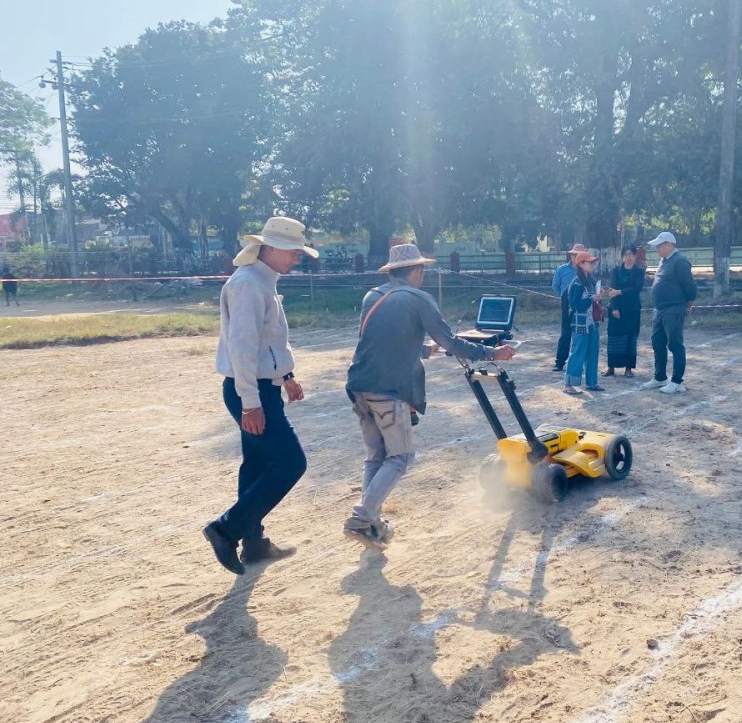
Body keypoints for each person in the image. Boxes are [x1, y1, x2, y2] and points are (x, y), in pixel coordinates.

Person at [345, 243, 517, 549]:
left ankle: (371, 523)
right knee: (400, 457)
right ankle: (360, 519)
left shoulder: (372, 296)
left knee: (376, 456)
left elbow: (379, 342)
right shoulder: (419, 299)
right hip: (388, 390)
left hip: (359, 386)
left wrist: (424, 349)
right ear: (417, 270)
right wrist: (494, 353)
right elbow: (453, 344)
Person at [204, 216, 318, 576]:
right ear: (269, 248)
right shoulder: (249, 285)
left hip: (259, 387)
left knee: (256, 465)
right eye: (293, 251)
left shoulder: (262, 282)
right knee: (290, 463)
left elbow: (269, 341)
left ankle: (254, 544)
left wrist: (286, 376)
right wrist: (251, 402)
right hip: (250, 390)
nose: (297, 258)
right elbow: (242, 348)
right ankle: (225, 530)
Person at [640, 232, 697, 394]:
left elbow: (690, 286)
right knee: (657, 342)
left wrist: (689, 302)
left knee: (675, 344)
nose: (657, 249)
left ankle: (677, 381)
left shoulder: (680, 262)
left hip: (674, 308)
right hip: (660, 309)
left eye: (659, 246)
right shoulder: (664, 260)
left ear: (669, 245)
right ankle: (660, 377)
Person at [563, 251, 604, 395]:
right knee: (577, 352)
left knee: (592, 353)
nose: (592, 264)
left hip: (592, 323)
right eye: (589, 262)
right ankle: (568, 384)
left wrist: (598, 298)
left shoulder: (591, 281)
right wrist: (591, 299)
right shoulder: (576, 283)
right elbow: (575, 304)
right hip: (580, 324)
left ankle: (592, 383)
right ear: (581, 264)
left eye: (592, 262)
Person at [604, 244, 645, 378]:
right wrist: (615, 308)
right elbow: (612, 291)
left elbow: (637, 288)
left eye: (631, 254)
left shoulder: (639, 271)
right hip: (617, 310)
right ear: (622, 256)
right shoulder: (616, 271)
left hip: (632, 310)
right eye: (626, 255)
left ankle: (628, 368)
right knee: (614, 338)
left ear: (635, 256)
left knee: (630, 338)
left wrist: (620, 292)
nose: (628, 257)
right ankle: (611, 367)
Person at [551, 243, 585, 371]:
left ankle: (579, 362)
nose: (575, 257)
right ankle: (559, 362)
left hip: (582, 303)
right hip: (566, 303)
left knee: (581, 333)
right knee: (566, 332)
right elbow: (555, 285)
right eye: (573, 254)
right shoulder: (562, 270)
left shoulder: (585, 270)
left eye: (578, 255)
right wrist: (564, 297)